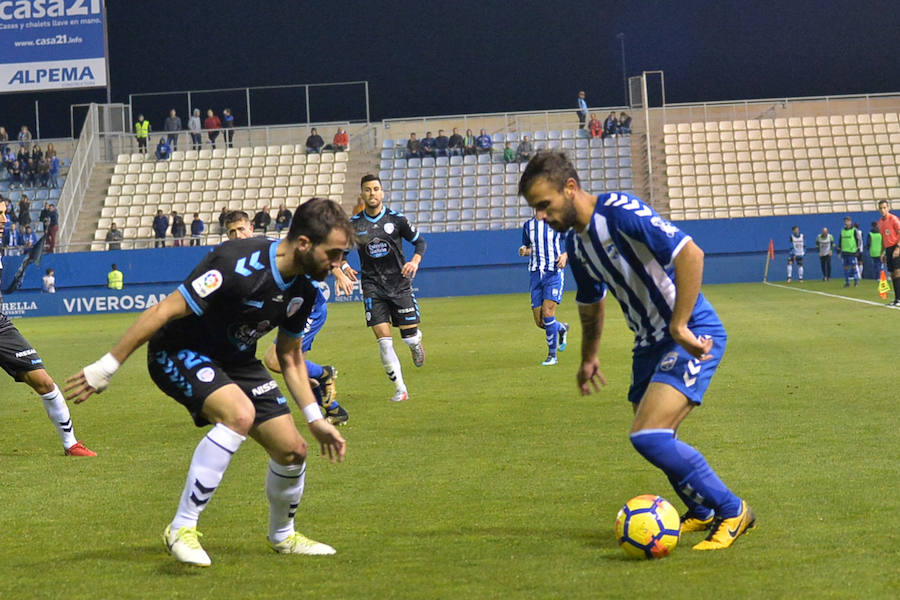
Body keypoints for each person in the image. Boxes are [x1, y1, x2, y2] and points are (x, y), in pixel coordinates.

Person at [64, 198, 351, 566]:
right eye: (335, 254)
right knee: (239, 414)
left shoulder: (305, 289)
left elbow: (290, 355)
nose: (338, 264)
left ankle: (283, 536)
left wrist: (315, 419)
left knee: (293, 450)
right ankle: (181, 527)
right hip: (178, 350)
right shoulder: (237, 261)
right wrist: (107, 365)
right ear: (304, 244)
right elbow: (165, 309)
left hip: (237, 361)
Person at [519, 150, 755, 551]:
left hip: (692, 331)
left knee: (649, 435)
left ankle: (733, 510)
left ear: (570, 188)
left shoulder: (619, 212)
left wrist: (680, 324)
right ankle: (700, 511)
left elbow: (690, 253)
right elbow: (591, 304)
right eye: (534, 209)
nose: (540, 216)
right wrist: (588, 357)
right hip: (648, 345)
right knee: (660, 439)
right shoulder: (576, 247)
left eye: (544, 205)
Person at [224, 212, 349, 426]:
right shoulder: (235, 259)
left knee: (276, 360)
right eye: (232, 232)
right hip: (286, 312)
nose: (238, 236)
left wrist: (339, 272)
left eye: (241, 229)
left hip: (309, 308)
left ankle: (324, 373)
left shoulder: (268, 246)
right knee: (296, 369)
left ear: (252, 228)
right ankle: (334, 411)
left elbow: (310, 252)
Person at [0, 204, 94, 456]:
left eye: (5, 212)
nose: (5, 219)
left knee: (45, 382)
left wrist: (16, 276)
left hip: (2, 329)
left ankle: (71, 444)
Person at [344, 174, 426, 403]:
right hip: (372, 287)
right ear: (362, 194)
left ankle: (415, 342)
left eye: (376, 189)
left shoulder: (397, 220)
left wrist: (415, 261)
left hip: (399, 284)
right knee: (383, 340)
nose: (372, 193)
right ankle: (401, 389)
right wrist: (343, 266)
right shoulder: (353, 225)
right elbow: (340, 252)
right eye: (368, 190)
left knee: (408, 338)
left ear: (382, 193)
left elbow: (420, 242)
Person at [519, 213, 570, 366]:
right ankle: (561, 328)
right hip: (535, 275)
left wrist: (565, 255)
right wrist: (524, 251)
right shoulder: (529, 226)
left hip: (553, 273)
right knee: (540, 321)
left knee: (548, 313)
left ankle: (552, 356)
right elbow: (529, 248)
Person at [877, 199, 900, 307]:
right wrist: (882, 252)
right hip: (889, 249)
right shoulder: (880, 223)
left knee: (897, 272)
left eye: (884, 207)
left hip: (896, 247)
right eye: (881, 208)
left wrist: (898, 248)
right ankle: (896, 299)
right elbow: (883, 238)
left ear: (888, 208)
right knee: (892, 274)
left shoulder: (894, 219)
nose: (883, 210)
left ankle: (899, 299)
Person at [836, 216, 860, 287]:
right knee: (846, 267)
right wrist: (839, 250)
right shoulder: (842, 231)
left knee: (854, 267)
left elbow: (858, 240)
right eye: (845, 221)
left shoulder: (854, 230)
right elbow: (840, 241)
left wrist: (857, 249)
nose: (846, 222)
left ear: (850, 222)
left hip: (852, 252)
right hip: (844, 252)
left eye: (848, 221)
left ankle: (856, 282)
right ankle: (847, 282)